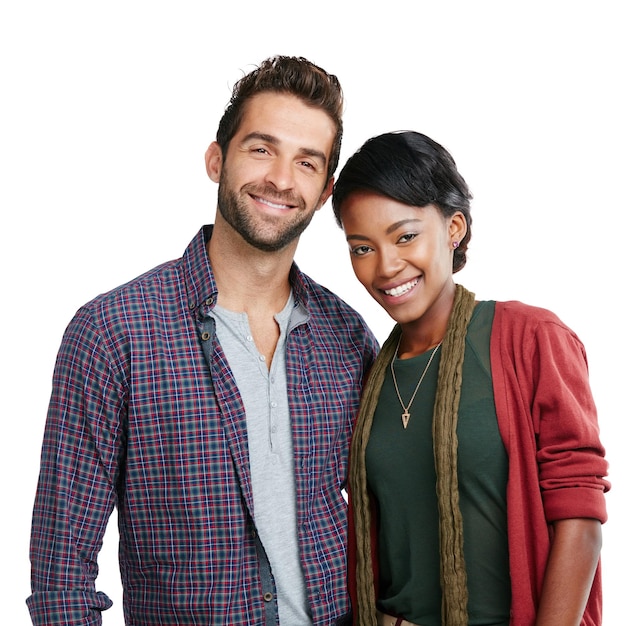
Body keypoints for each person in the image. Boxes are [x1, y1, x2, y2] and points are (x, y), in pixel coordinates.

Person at [27, 55, 378, 626]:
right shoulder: (113, 333)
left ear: (324, 192)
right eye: (261, 149)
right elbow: (62, 576)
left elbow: (390, 518)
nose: (282, 179)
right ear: (217, 159)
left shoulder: (347, 337)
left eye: (306, 162)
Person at [331, 131, 610, 626]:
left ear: (454, 227)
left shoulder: (529, 338)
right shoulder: (367, 375)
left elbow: (580, 514)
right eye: (361, 247)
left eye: (405, 235)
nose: (386, 266)